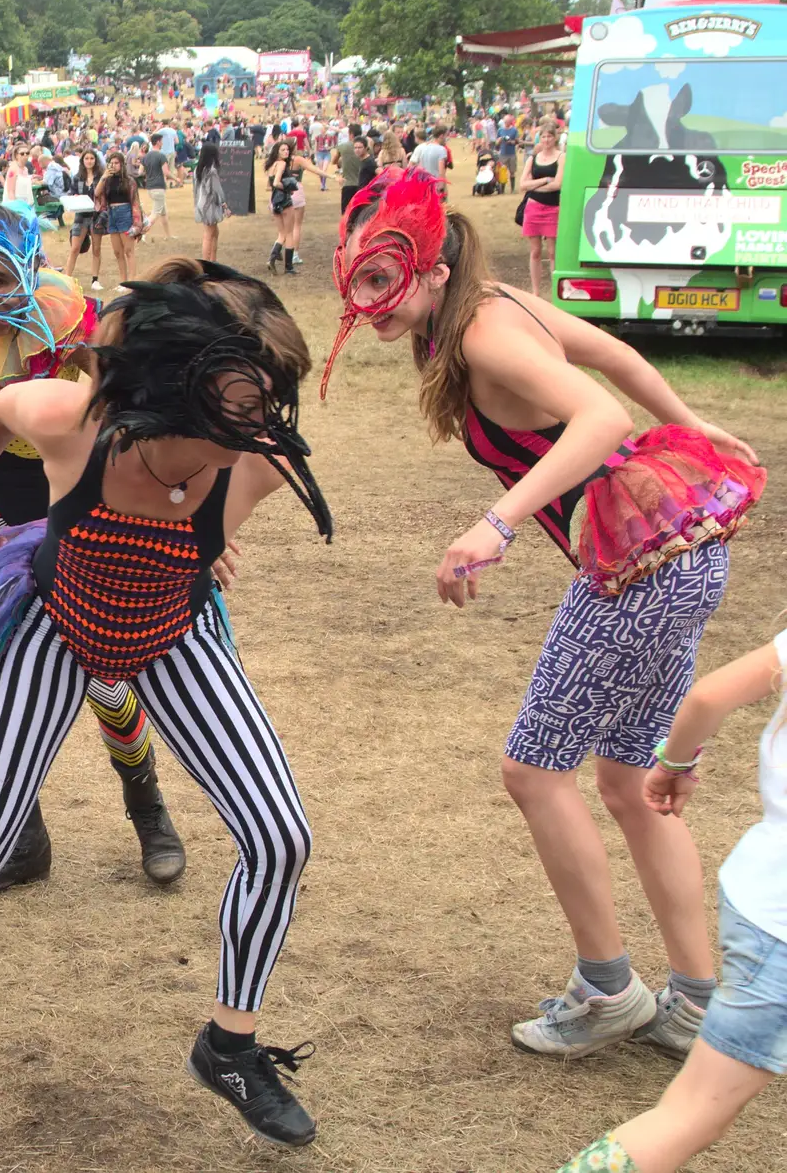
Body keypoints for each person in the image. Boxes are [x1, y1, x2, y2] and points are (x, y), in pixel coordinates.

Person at [0, 260, 333, 1153]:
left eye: (267, 404)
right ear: (171, 394)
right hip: (54, 625)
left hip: (173, 635)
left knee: (282, 834)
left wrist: (198, 546)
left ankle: (230, 1044)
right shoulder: (74, 424)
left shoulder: (253, 464)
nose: (261, 428)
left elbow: (203, 522)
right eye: (240, 408)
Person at [324, 168, 765, 1061]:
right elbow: (614, 356)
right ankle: (695, 1001)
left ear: (434, 267)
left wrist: (497, 522)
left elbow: (600, 409)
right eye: (356, 280)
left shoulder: (485, 329)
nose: (363, 301)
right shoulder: (488, 307)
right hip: (675, 558)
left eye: (381, 278)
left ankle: (608, 989)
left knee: (534, 772)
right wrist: (693, 422)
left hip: (642, 565)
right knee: (630, 780)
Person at [0, 200, 188, 891]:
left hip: (76, 495)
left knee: (102, 672)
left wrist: (167, 509)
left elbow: (124, 400)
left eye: (21, 273)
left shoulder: (59, 314)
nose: (11, 295)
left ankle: (147, 803)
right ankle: (22, 832)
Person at [556, 624, 787, 1173]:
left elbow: (709, 695)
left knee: (684, 1112)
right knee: (691, 1117)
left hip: (762, 900)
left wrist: (674, 764)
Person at [264, 141, 324, 277]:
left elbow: (269, 186)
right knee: (289, 233)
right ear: (277, 152)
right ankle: (288, 266)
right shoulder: (282, 164)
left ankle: (272, 258)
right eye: (283, 150)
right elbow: (276, 182)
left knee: (281, 234)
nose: (286, 152)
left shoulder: (271, 165)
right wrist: (288, 187)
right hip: (284, 200)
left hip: (274, 201)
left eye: (287, 150)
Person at [519, 123, 564, 298]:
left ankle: (555, 291)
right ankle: (536, 292)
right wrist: (544, 180)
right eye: (543, 137)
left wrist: (535, 186)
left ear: (555, 138)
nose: (546, 140)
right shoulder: (533, 158)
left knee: (553, 252)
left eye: (549, 136)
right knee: (535, 251)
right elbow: (523, 185)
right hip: (533, 208)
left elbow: (558, 184)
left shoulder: (561, 157)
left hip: (553, 208)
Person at [94, 150, 142, 284]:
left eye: (116, 163)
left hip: (125, 213)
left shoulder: (129, 181)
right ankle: (123, 281)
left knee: (128, 250)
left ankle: (132, 280)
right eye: (111, 163)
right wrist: (104, 176)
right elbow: (97, 193)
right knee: (117, 252)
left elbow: (135, 201)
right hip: (112, 214)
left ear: (122, 164)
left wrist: (136, 221)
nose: (114, 165)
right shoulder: (107, 180)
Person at [62, 149, 106, 292]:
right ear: (83, 161)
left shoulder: (101, 177)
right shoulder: (77, 177)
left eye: (92, 158)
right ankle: (67, 278)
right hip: (81, 215)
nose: (89, 161)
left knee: (96, 249)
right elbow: (70, 192)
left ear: (95, 160)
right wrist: (73, 197)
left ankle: (95, 280)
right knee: (75, 248)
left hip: (96, 216)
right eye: (86, 158)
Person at [193, 141, 229, 263]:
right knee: (209, 234)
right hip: (209, 205)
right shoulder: (211, 171)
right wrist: (224, 205)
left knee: (214, 232)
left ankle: (212, 260)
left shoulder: (197, 170)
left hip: (200, 204)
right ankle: (206, 263)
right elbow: (216, 190)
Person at [141, 132, 173, 241]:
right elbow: (166, 172)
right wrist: (177, 179)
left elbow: (140, 171)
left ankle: (168, 235)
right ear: (158, 142)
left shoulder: (146, 157)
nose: (162, 143)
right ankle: (142, 233)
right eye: (162, 141)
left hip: (150, 187)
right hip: (158, 187)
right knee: (155, 214)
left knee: (163, 212)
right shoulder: (161, 156)